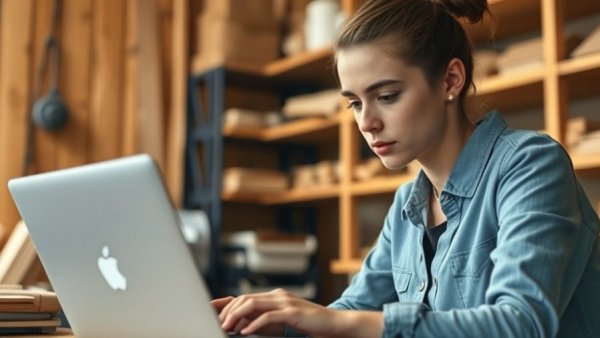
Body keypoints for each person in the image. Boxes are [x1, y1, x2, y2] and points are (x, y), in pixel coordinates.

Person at [211, 0, 600, 336]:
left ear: (451, 79)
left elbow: (521, 324)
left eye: (386, 96)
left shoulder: (530, 165)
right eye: (355, 103)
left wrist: (336, 324)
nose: (366, 123)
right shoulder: (406, 206)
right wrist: (279, 321)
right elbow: (351, 309)